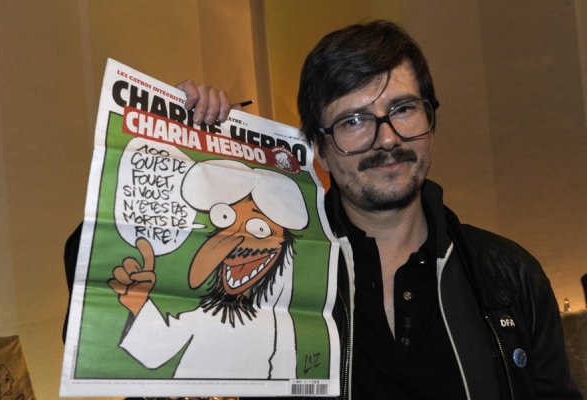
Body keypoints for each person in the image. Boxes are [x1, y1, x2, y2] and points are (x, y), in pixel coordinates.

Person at [178, 20, 582, 400]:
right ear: (320, 149)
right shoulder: (277, 273)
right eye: (354, 120)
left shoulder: (510, 277)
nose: (387, 139)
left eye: (403, 109)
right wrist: (176, 142)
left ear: (431, 121)